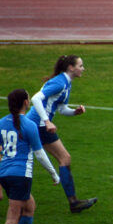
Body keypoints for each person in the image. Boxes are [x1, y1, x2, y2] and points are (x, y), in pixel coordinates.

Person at [25, 55, 97, 213]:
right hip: (38, 125)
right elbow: (36, 99)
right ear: (71, 68)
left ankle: (74, 202)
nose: (83, 68)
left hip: (37, 125)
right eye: (80, 65)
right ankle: (74, 203)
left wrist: (74, 112)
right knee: (64, 158)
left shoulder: (66, 82)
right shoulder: (60, 82)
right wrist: (46, 121)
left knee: (14, 156)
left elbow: (62, 108)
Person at [0, 89, 62, 224]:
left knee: (29, 207)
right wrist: (54, 173)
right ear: (26, 103)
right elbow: (40, 154)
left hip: (4, 174)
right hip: (21, 175)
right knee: (12, 216)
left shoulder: (1, 123)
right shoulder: (29, 125)